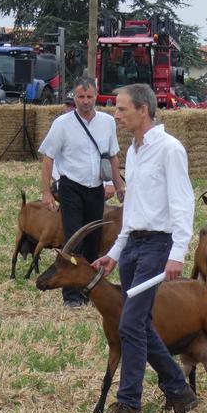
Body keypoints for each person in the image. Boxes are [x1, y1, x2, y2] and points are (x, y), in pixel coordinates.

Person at [90, 83, 197, 413]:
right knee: (141, 326)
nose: (115, 115)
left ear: (143, 110)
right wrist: (115, 253)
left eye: (121, 109)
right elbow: (132, 208)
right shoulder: (133, 152)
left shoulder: (169, 149)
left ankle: (129, 409)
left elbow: (183, 203)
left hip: (157, 245)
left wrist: (177, 254)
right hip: (134, 244)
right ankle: (180, 391)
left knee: (129, 325)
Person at [39, 77, 124, 307]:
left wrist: (118, 186)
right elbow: (48, 158)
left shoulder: (107, 122)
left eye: (89, 97)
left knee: (93, 241)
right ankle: (71, 295)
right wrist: (47, 192)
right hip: (71, 187)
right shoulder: (62, 123)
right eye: (80, 97)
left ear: (96, 96)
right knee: (73, 240)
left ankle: (89, 290)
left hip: (95, 188)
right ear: (73, 98)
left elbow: (113, 156)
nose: (85, 101)